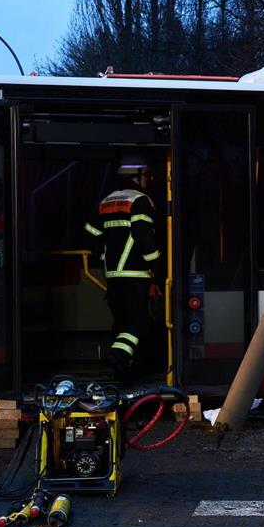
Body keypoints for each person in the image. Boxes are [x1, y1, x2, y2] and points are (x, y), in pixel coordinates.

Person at [83, 155, 162, 383]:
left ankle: (123, 370)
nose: (149, 179)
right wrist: (156, 264)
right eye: (147, 175)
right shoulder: (141, 201)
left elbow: (91, 234)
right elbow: (144, 236)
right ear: (138, 176)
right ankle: (118, 356)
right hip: (136, 274)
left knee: (122, 321)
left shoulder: (107, 201)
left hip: (113, 276)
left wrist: (102, 256)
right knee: (137, 321)